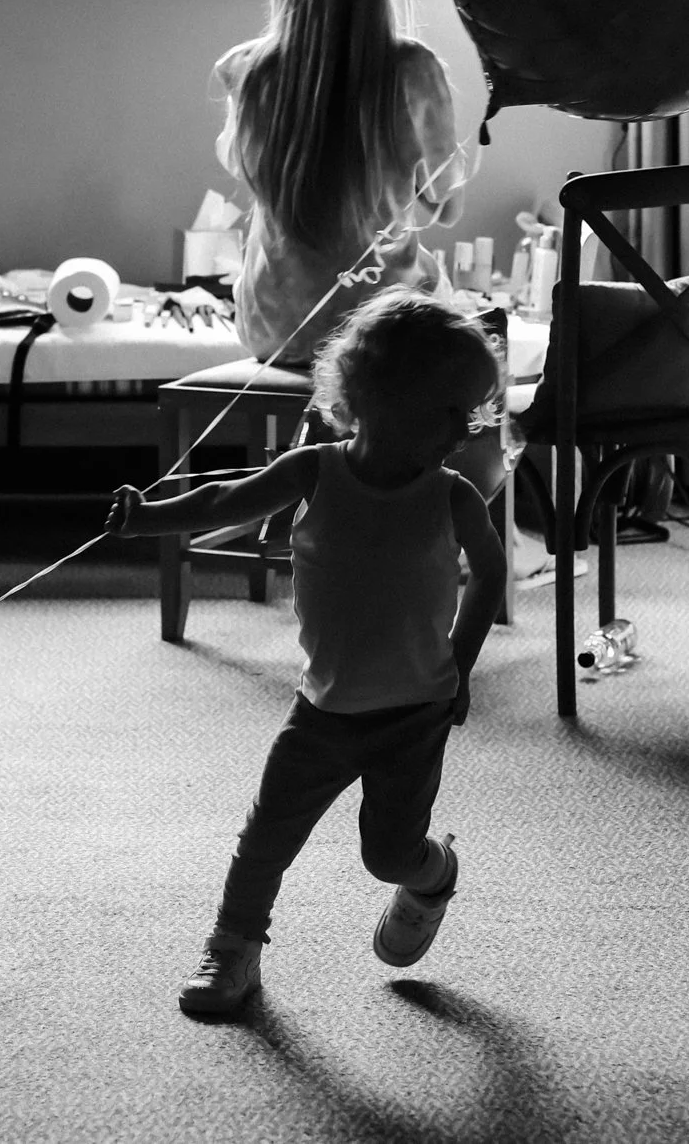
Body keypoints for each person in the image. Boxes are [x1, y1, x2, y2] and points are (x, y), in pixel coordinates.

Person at [105, 291, 508, 1018]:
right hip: (322, 705)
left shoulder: (453, 496)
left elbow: (491, 571)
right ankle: (233, 950)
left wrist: (461, 663)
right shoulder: (313, 471)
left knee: (386, 853)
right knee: (266, 834)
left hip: (414, 709)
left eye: (473, 411)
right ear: (381, 397)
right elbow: (223, 498)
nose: (467, 428)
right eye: (452, 410)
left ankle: (433, 870)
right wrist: (147, 518)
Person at [213, 0, 470, 370]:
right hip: (382, 335)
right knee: (457, 317)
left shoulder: (245, 71)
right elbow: (448, 204)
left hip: (275, 331)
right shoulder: (414, 69)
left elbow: (247, 171)